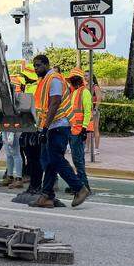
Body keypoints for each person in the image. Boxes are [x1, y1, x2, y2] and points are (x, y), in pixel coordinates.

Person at [30, 54, 90, 208]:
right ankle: (47, 196)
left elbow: (55, 102)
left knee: (55, 159)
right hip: (52, 126)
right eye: (34, 66)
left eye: (38, 65)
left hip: (59, 125)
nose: (36, 69)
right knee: (48, 161)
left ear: (46, 64)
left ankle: (79, 188)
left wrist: (44, 128)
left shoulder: (54, 79)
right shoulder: (44, 81)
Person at [66, 68, 94, 192]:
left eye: (73, 79)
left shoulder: (85, 92)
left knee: (78, 160)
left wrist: (84, 128)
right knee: (77, 160)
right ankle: (80, 185)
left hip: (79, 131)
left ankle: (84, 186)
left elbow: (88, 111)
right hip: (73, 130)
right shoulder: (74, 93)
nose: (71, 81)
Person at [19, 63, 43, 194]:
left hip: (34, 126)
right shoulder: (33, 87)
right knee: (33, 158)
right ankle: (34, 185)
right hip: (32, 125)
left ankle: (35, 186)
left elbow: (26, 107)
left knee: (34, 158)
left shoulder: (33, 88)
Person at [89, 73, 104, 150]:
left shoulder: (95, 87)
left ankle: (96, 148)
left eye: (87, 75)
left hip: (94, 110)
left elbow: (99, 99)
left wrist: (95, 109)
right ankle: (87, 147)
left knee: (95, 129)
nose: (85, 77)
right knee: (88, 129)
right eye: (84, 75)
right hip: (87, 111)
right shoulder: (85, 87)